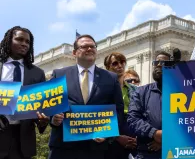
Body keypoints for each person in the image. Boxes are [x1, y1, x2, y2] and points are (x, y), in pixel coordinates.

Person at [49, 35, 124, 159]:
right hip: (63, 147)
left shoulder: (111, 78)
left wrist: (108, 134)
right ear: (74, 52)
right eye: (84, 46)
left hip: (96, 149)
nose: (89, 49)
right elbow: (50, 105)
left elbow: (119, 111)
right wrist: (53, 119)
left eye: (92, 46)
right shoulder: (59, 74)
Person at [0, 26, 49, 159]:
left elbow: (40, 107)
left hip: (22, 143)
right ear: (8, 40)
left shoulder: (37, 73)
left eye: (28, 42)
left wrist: (43, 121)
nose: (24, 44)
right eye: (19, 39)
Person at [128, 51, 170, 159]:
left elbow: (189, 121)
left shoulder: (182, 92)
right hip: (147, 152)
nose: (159, 65)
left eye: (164, 62)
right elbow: (133, 119)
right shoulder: (141, 92)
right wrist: (154, 133)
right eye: (156, 62)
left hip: (176, 150)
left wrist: (166, 139)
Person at [103, 52, 137, 159]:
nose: (120, 66)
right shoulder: (102, 91)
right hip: (112, 136)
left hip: (133, 134)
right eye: (115, 63)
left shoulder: (135, 90)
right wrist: (116, 137)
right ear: (108, 68)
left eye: (122, 62)